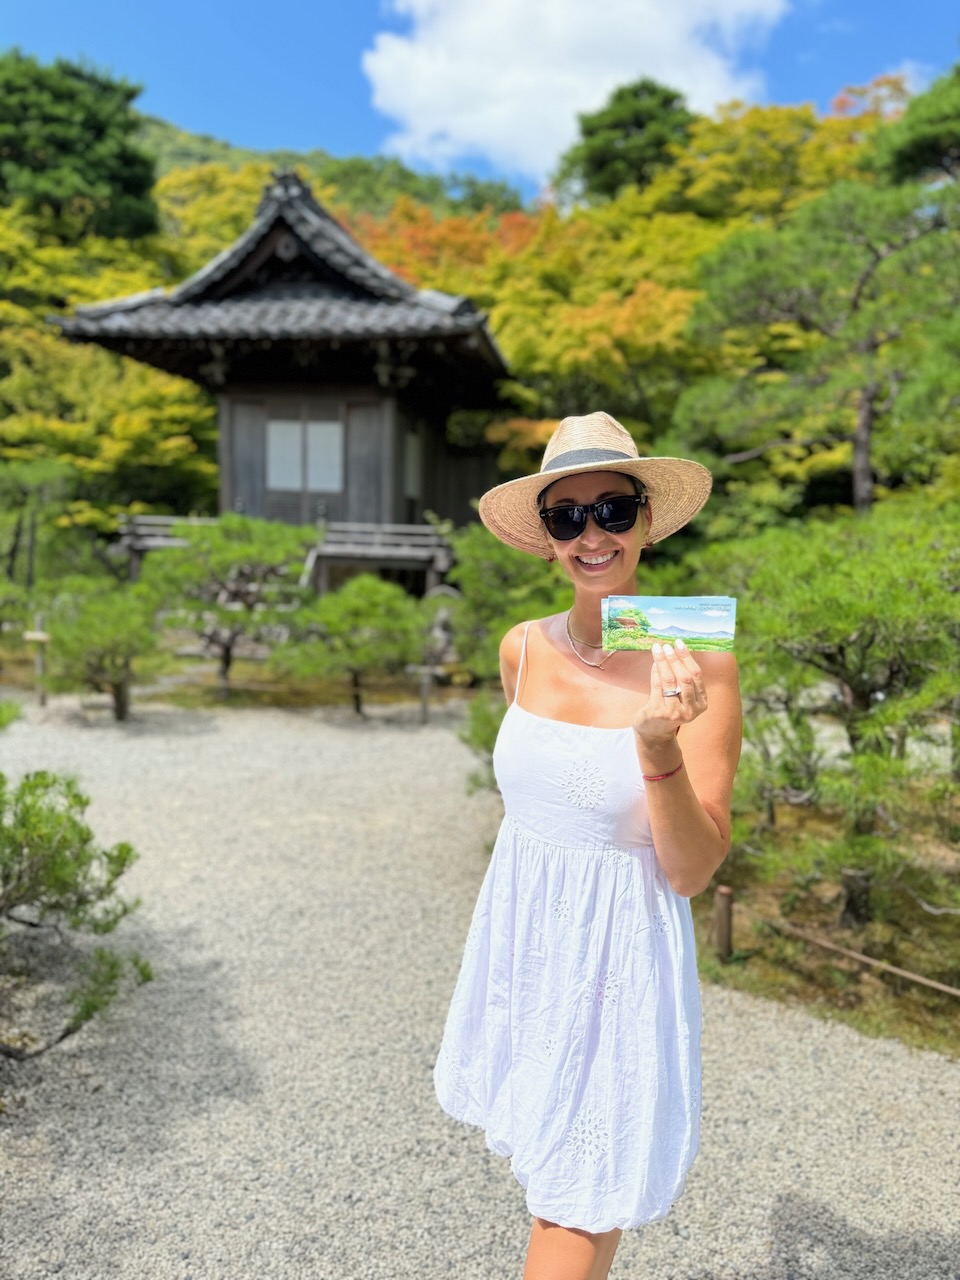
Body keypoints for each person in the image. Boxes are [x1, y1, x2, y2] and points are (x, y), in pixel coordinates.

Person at [433, 411, 742, 1280]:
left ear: (649, 520)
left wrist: (656, 748)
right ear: (545, 539)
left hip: (620, 967)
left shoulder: (697, 660)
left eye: (613, 509)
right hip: (527, 955)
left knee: (574, 1207)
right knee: (553, 1192)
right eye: (566, 517)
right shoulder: (522, 650)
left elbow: (692, 868)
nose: (592, 535)